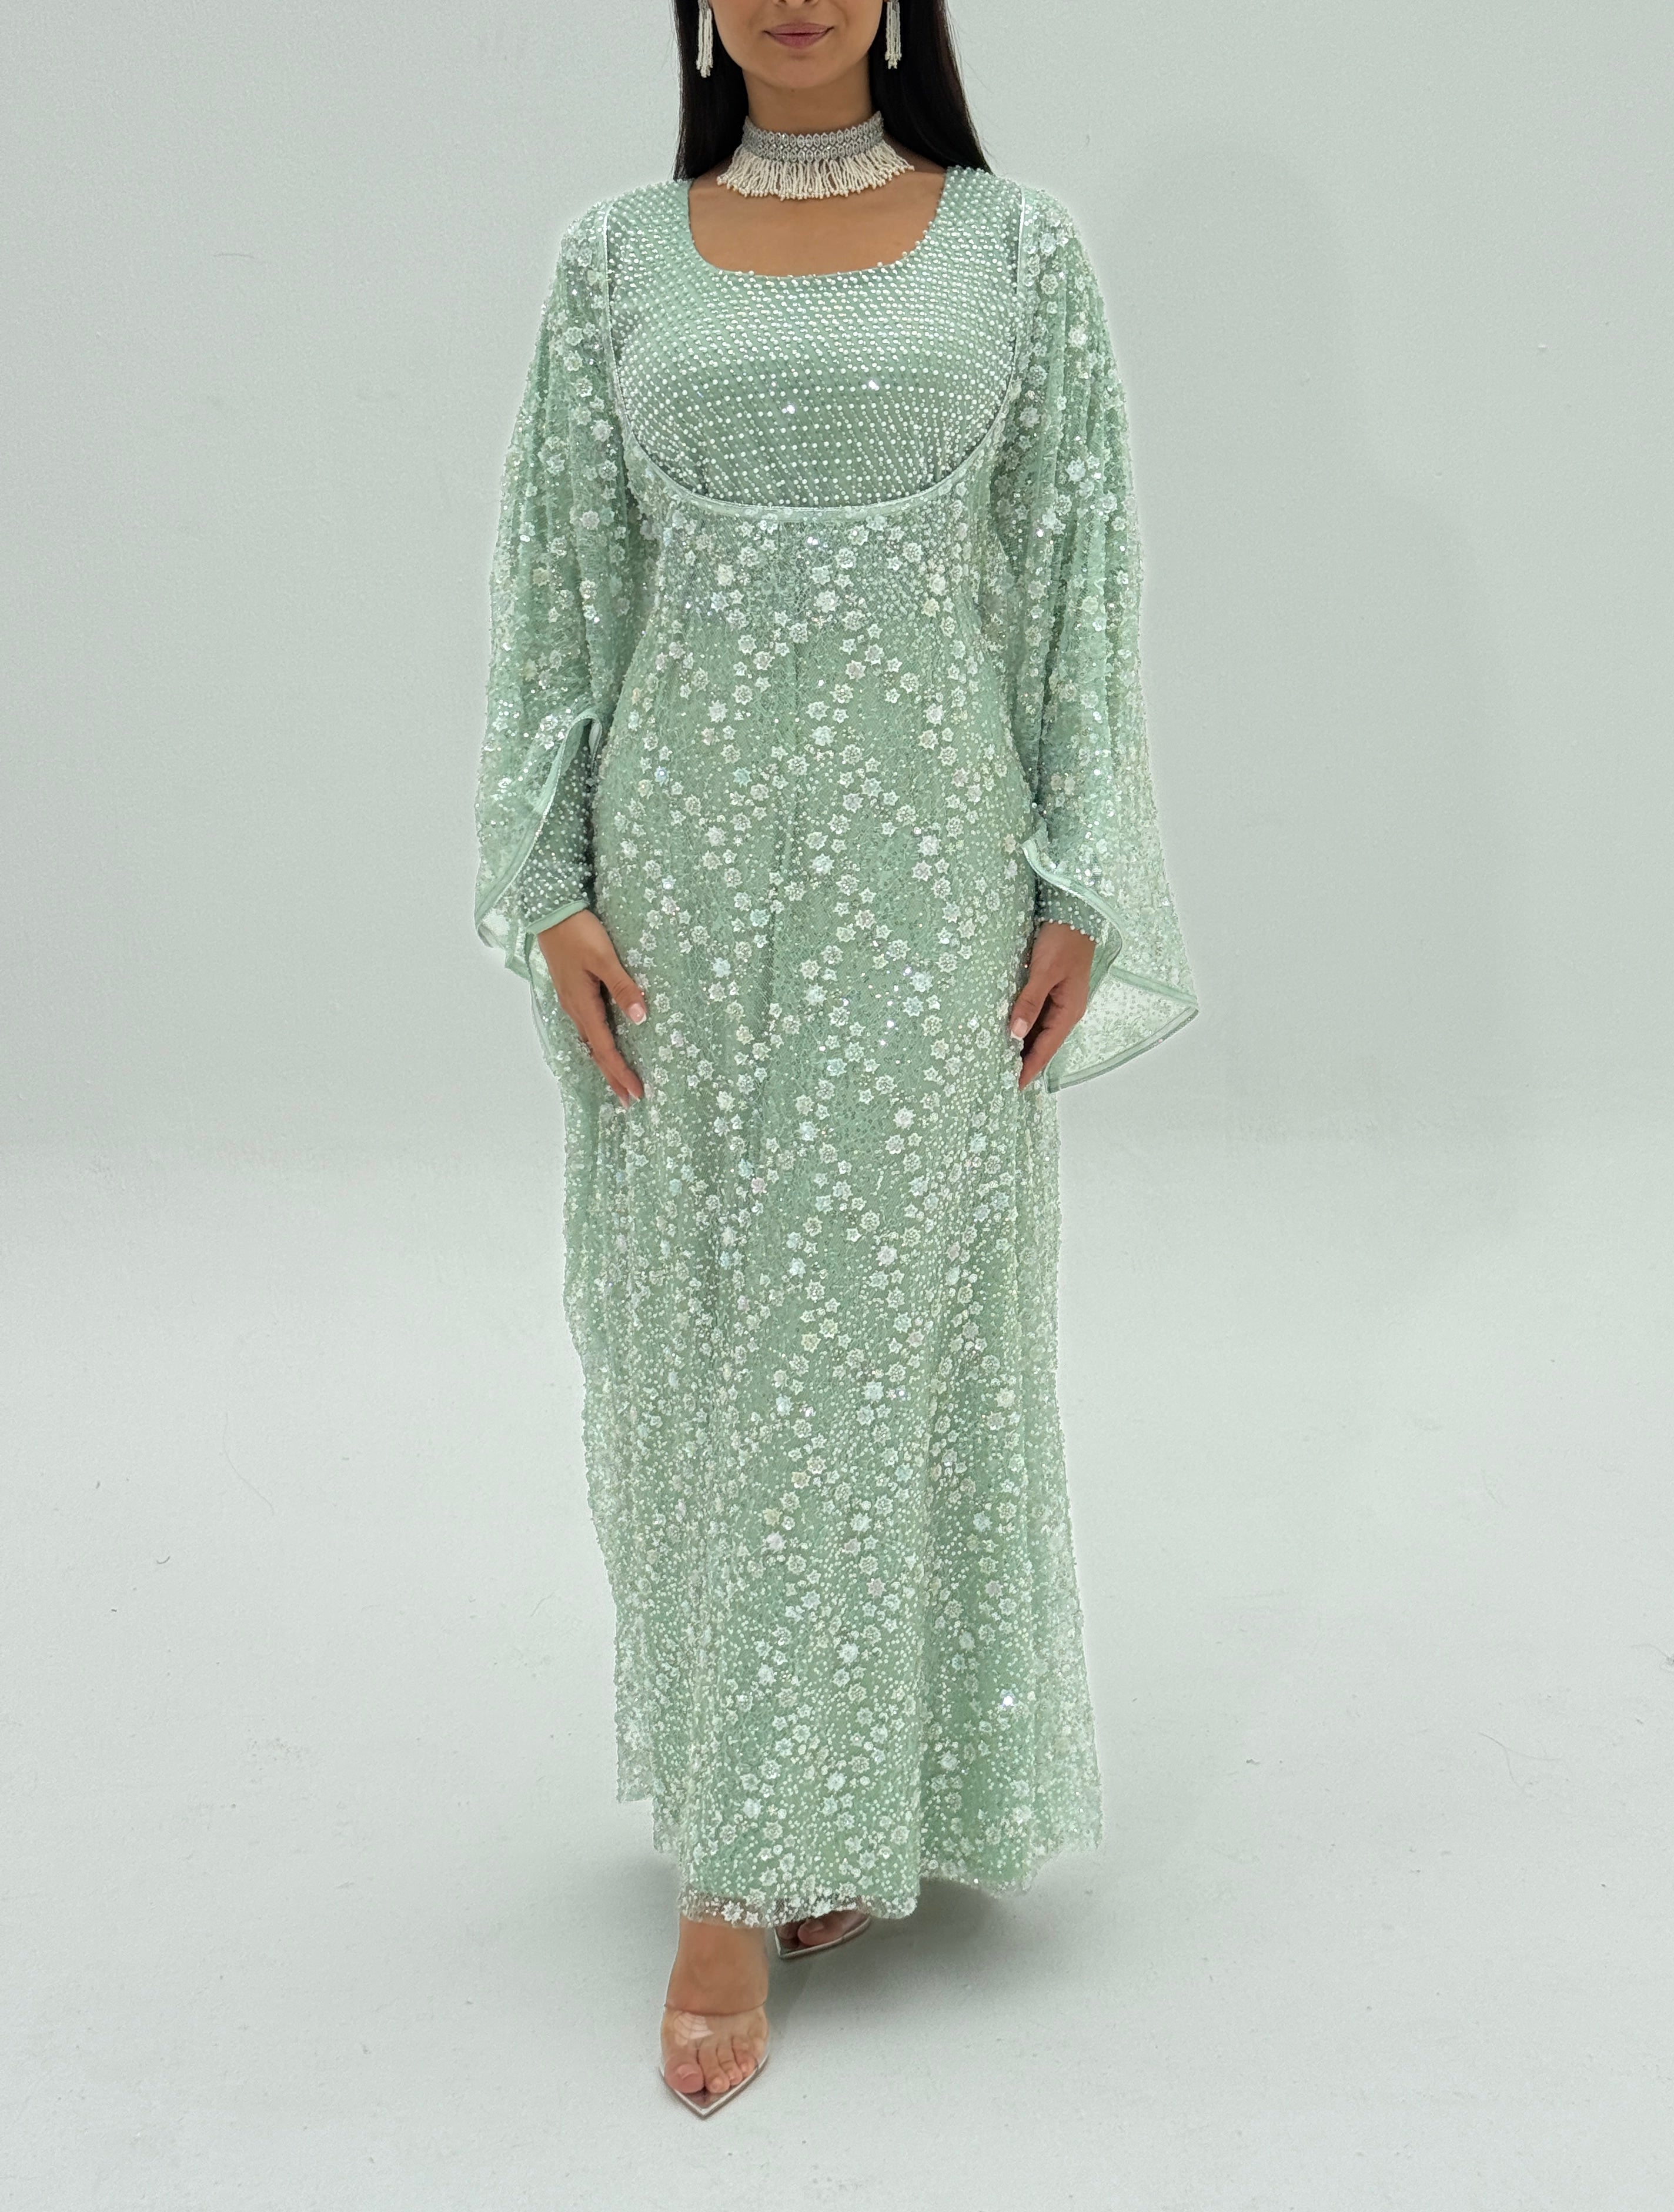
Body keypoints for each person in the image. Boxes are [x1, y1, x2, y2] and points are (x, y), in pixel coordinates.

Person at [473, 0, 1198, 2116]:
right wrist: (547, 875)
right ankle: (761, 1823)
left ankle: (800, 1822)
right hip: (685, 882)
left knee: (873, 1341)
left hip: (928, 880)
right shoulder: (615, 259)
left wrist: (1082, 870)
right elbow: (560, 578)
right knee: (721, 1345)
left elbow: (1076, 573)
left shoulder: (1019, 252)